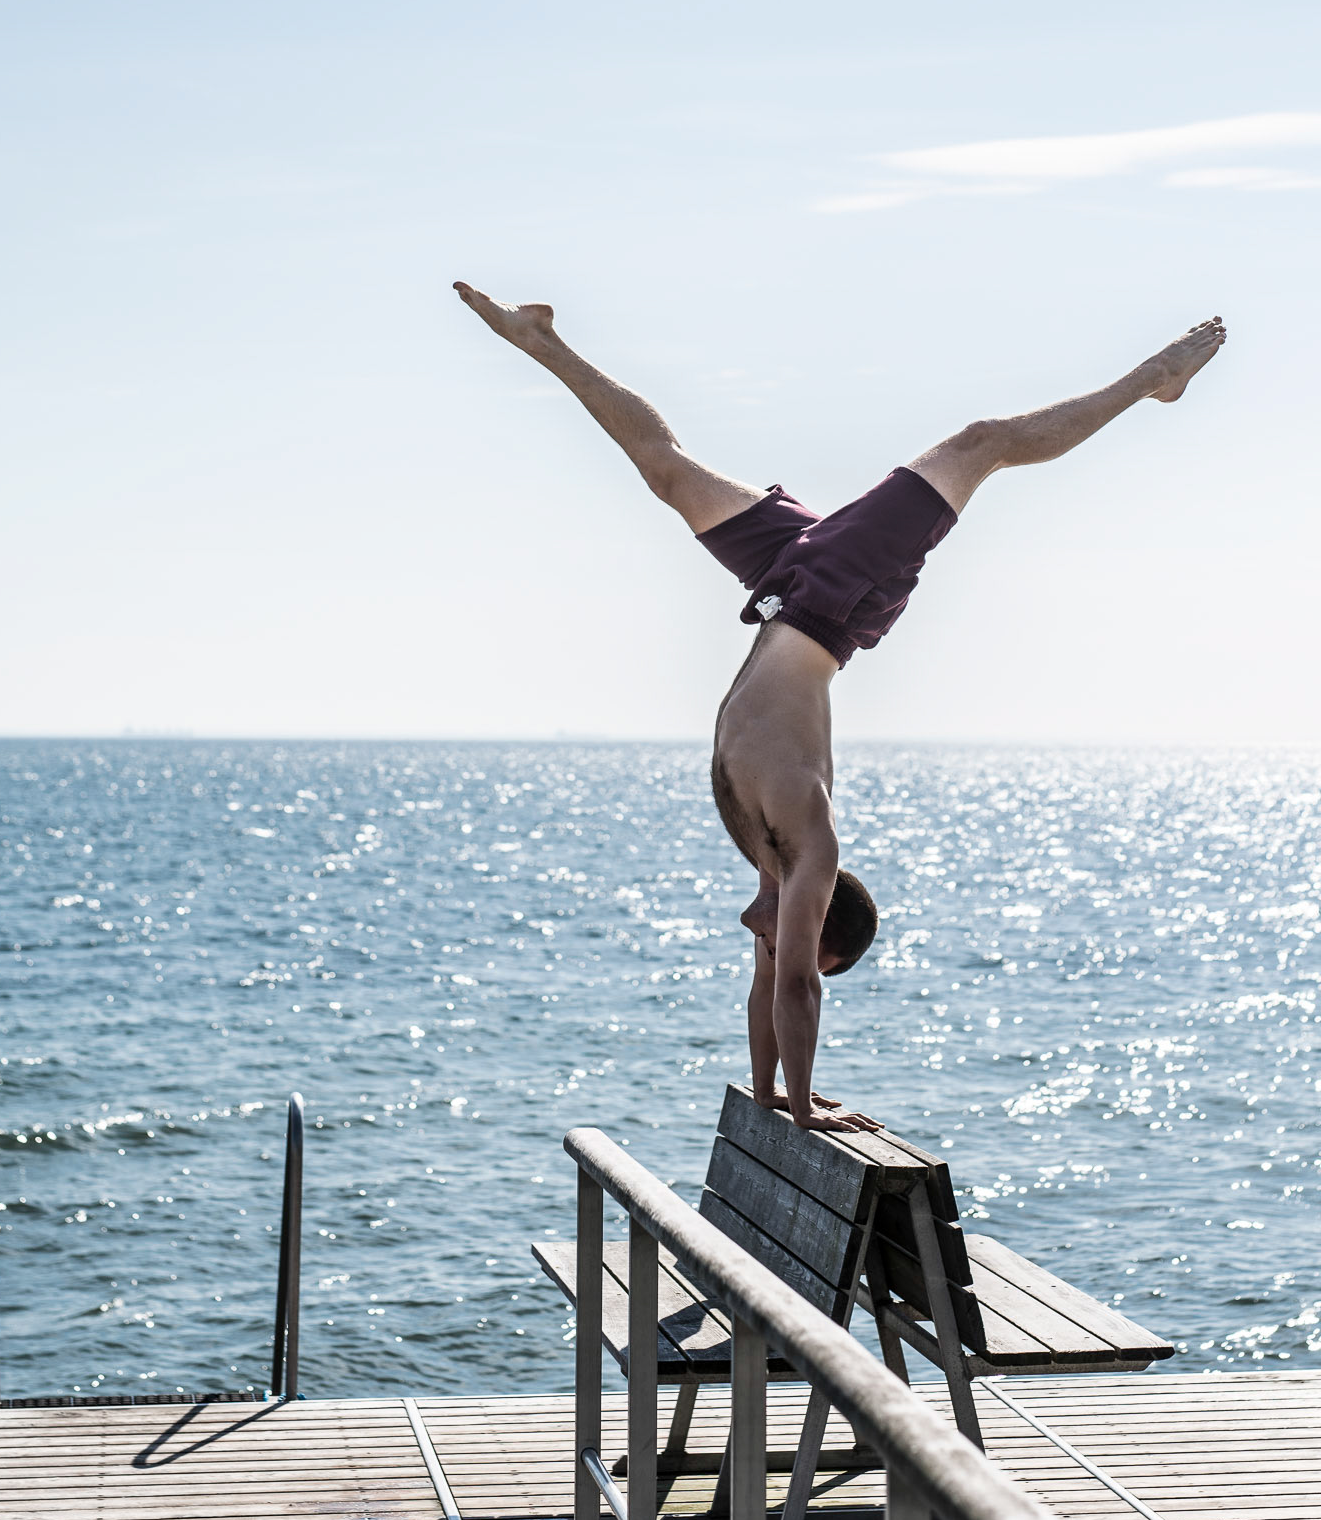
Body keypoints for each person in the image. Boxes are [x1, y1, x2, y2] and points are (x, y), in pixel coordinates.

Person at [453, 284, 1225, 1132]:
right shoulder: (805, 836)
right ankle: (1153, 377)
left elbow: (769, 983)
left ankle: (539, 341)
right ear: (818, 920)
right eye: (791, 936)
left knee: (668, 472)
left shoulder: (766, 852)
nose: (767, 941)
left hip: (788, 588)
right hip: (837, 595)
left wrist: (770, 1094)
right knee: (983, 443)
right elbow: (794, 986)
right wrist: (803, 1110)